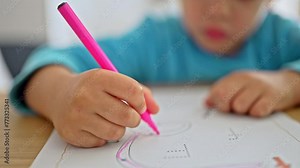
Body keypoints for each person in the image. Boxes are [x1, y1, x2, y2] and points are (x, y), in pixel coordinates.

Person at [10, 0, 300, 147]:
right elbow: (47, 62)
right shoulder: (154, 40)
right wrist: (61, 94)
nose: (219, 10)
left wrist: (289, 82)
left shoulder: (281, 37)